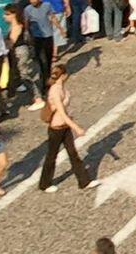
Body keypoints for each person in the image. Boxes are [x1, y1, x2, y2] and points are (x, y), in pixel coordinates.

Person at [39, 62, 95, 192]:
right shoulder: (55, 91)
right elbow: (61, 113)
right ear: (63, 75)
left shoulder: (62, 88)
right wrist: (77, 128)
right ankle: (44, 184)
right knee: (51, 156)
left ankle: (84, 181)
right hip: (56, 129)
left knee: (73, 153)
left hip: (65, 127)